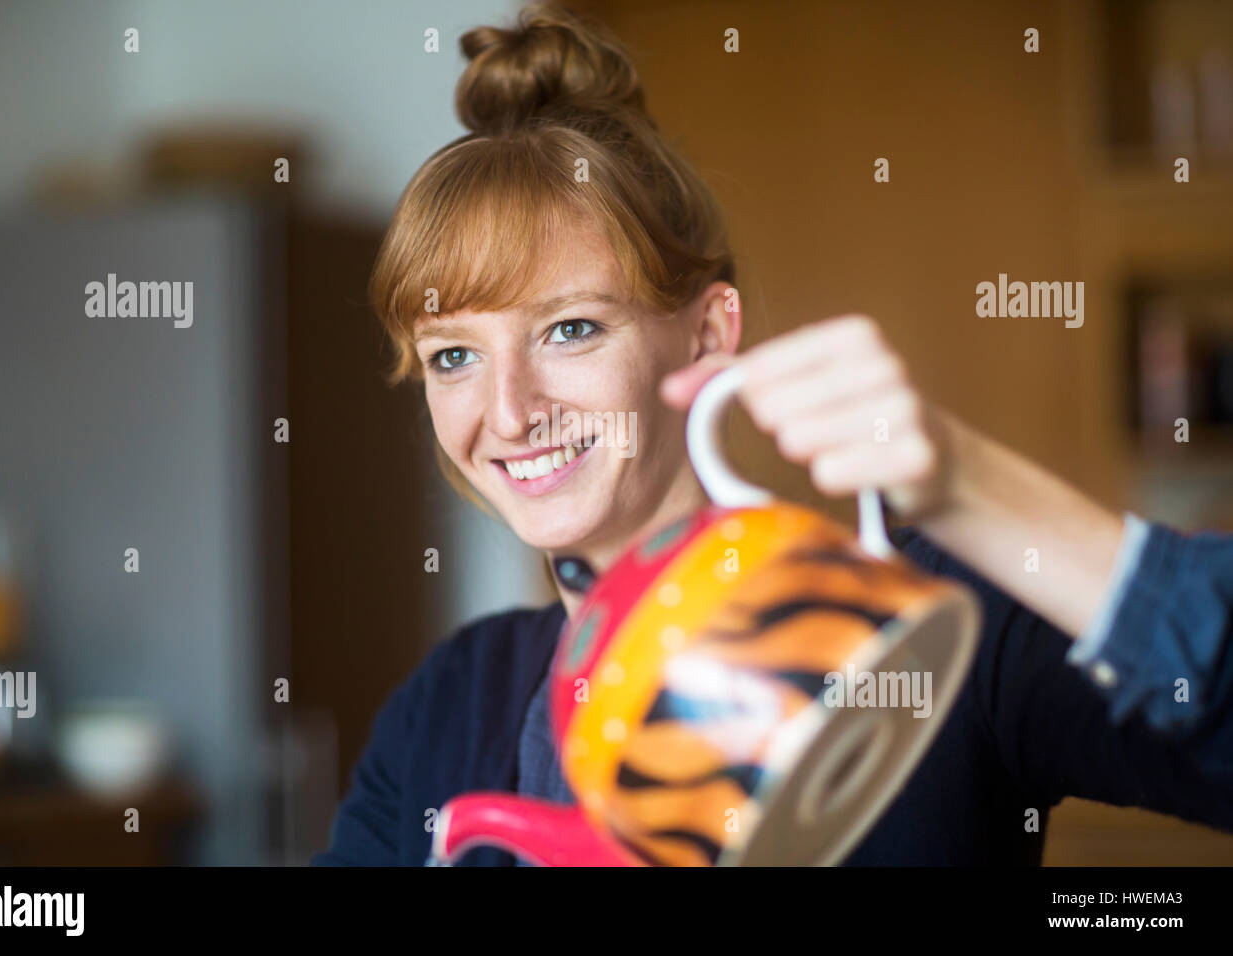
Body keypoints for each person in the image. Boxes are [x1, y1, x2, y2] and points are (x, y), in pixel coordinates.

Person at [312, 1, 1233, 867]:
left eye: (571, 329)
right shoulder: (446, 703)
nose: (508, 413)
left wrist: (969, 488)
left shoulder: (920, 610)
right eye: (453, 357)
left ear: (709, 335)